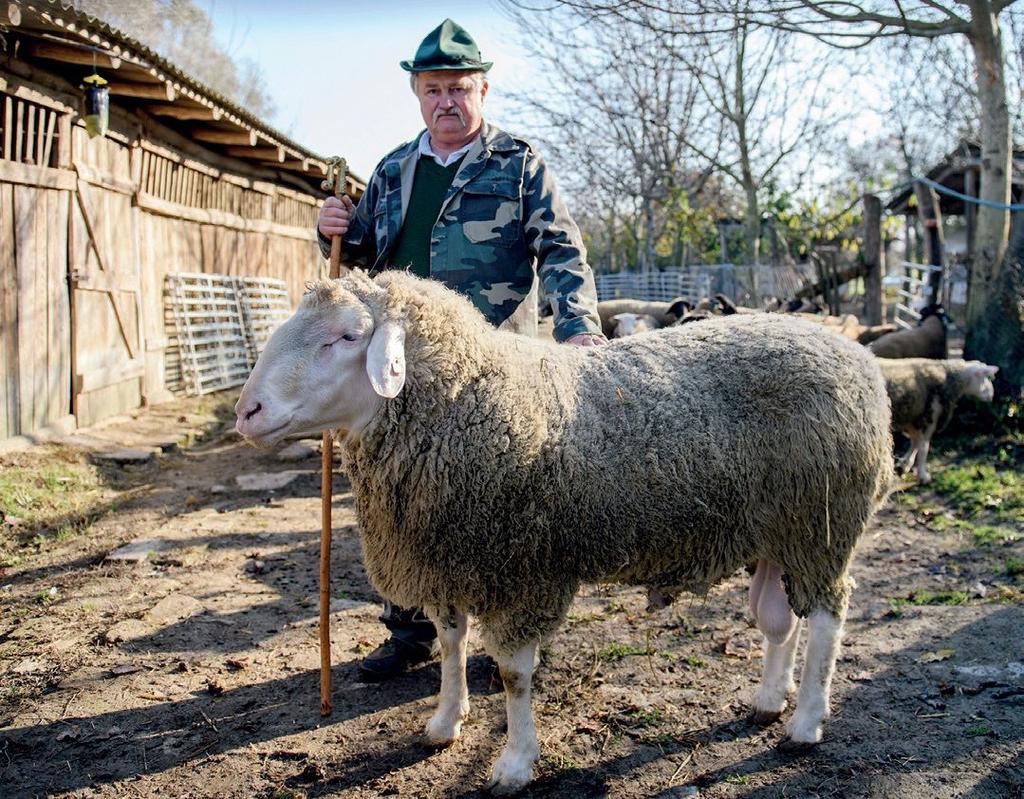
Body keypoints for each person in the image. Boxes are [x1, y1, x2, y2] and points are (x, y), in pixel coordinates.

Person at [316, 18, 605, 681]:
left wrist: (578, 330)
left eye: (460, 88)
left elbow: (562, 249)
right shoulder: (393, 170)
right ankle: (409, 630)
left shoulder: (519, 164)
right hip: (398, 370)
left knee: (497, 502)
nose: (447, 101)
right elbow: (358, 258)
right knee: (398, 498)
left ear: (483, 90)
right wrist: (330, 228)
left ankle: (506, 635)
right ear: (418, 94)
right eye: (434, 89)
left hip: (491, 365)